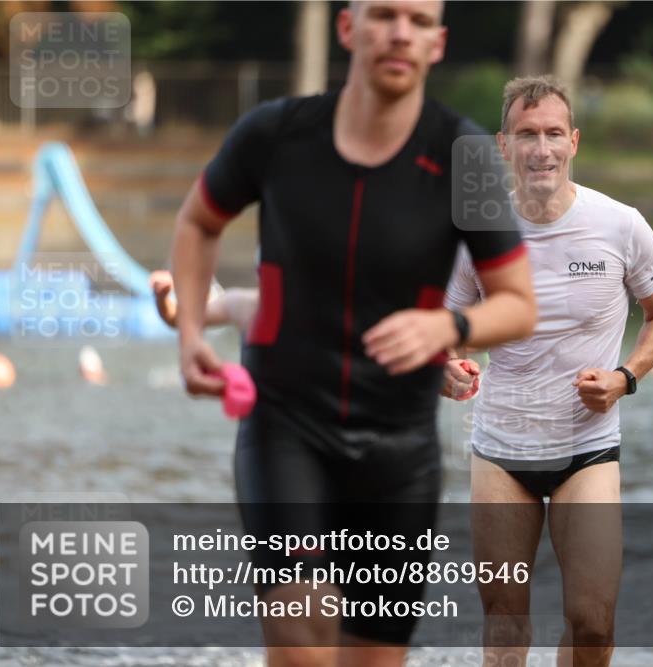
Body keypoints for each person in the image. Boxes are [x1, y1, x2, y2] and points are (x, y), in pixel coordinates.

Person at [168, 2, 537, 666]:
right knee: (302, 637)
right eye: (384, 15)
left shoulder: (469, 157)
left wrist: (447, 324)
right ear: (347, 29)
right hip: (286, 425)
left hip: (398, 450)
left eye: (420, 21)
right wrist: (192, 331)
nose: (401, 32)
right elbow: (198, 222)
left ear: (438, 43)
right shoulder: (276, 135)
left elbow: (516, 305)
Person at [442, 76, 653, 667]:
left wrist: (625, 377)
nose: (541, 148)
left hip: (588, 449)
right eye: (527, 134)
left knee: (594, 623)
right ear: (504, 146)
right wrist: (443, 369)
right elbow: (436, 330)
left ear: (573, 141)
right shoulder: (478, 232)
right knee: (504, 624)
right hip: (501, 449)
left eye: (552, 133)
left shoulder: (621, 225)